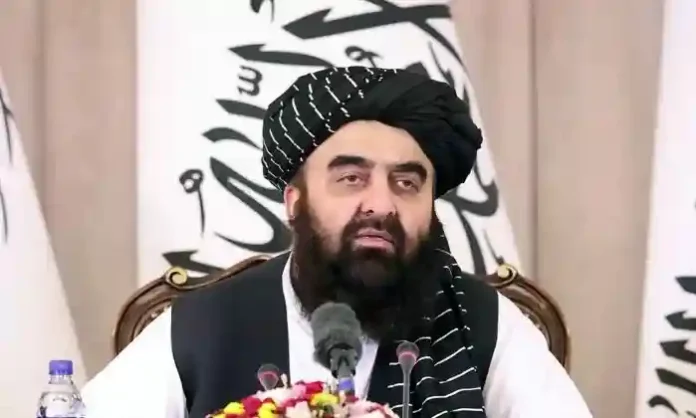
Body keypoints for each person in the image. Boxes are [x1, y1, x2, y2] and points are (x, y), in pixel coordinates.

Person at [81, 67, 592, 418]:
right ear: (295, 201)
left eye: (406, 183)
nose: (381, 204)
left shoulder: (479, 322)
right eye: (351, 178)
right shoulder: (206, 325)